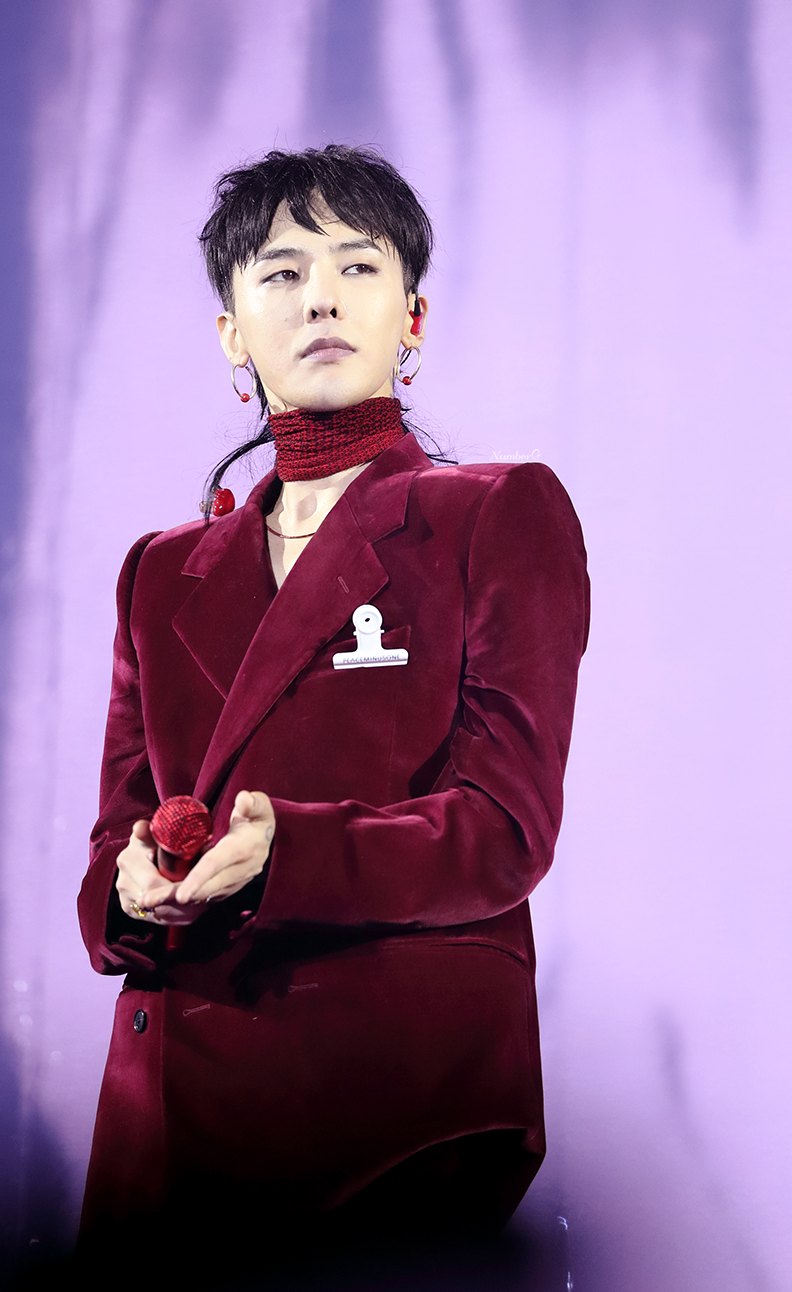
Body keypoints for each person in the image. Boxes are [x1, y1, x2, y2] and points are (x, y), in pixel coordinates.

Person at [76, 144, 589, 1288]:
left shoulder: (494, 511)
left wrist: (288, 855)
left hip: (393, 1120)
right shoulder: (159, 569)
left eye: (359, 266)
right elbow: (113, 844)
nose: (320, 296)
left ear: (413, 318)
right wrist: (131, 887)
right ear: (231, 334)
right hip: (167, 1127)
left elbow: (505, 829)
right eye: (281, 272)